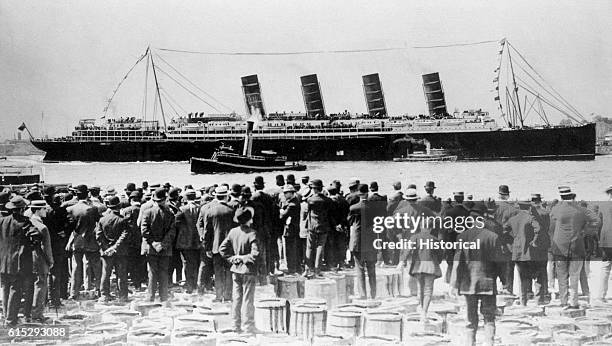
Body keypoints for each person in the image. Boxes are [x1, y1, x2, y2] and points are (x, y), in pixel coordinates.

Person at [450, 203, 501, 346]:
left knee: (471, 319)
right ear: (483, 218)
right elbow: (498, 262)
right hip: (487, 282)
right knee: (489, 318)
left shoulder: (462, 236)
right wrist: (503, 280)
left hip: (468, 283)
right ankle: (489, 343)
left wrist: (454, 284)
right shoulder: (493, 237)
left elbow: (457, 262)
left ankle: (469, 343)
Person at [1, 196, 41, 326]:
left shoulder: (2, 221)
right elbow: (36, 237)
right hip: (18, 262)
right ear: (22, 209)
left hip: (3, 261)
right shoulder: (25, 222)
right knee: (15, 290)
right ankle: (11, 320)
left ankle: (6, 316)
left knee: (5, 288)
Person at [219, 207, 260, 334]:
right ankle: (248, 326)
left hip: (236, 270)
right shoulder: (253, 233)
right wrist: (243, 258)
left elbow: (222, 249)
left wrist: (233, 259)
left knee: (236, 298)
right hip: (248, 270)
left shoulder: (233, 232)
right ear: (250, 220)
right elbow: (255, 254)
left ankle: (235, 326)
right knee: (248, 299)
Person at [549, 186, 588, 309]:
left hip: (560, 247)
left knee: (562, 276)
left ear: (561, 196)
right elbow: (586, 227)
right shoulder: (581, 210)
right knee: (575, 276)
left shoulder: (556, 209)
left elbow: (551, 227)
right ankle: (574, 302)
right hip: (577, 246)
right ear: (572, 196)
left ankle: (563, 301)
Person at [504, 201, 545, 305]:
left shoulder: (513, 219)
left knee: (522, 277)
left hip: (517, 251)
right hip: (529, 251)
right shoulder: (530, 218)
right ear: (529, 207)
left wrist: (511, 243)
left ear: (519, 207)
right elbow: (538, 229)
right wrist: (534, 241)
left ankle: (523, 301)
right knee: (538, 274)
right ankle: (538, 300)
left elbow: (504, 231)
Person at [65, 184, 101, 300]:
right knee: (95, 265)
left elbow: (70, 227)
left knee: (76, 267)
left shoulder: (70, 209)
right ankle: (99, 290)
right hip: (91, 240)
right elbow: (97, 223)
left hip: (77, 240)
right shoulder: (93, 209)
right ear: (88, 194)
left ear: (77, 194)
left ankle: (73, 292)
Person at [140, 188, 176, 303]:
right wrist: (163, 244)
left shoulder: (147, 212)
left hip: (151, 248)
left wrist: (154, 243)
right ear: (165, 199)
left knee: (152, 273)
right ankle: (163, 297)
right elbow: (172, 232)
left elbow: (144, 231)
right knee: (164, 273)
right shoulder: (170, 213)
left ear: (154, 200)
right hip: (165, 249)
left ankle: (150, 297)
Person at [200, 185, 235, 301]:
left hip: (215, 247)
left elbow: (207, 232)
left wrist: (207, 248)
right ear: (226, 196)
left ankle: (219, 296)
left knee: (218, 272)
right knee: (229, 272)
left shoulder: (210, 211)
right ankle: (228, 296)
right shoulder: (231, 210)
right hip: (230, 247)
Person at [96, 196, 130, 302]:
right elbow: (124, 235)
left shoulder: (102, 220)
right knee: (121, 274)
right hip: (120, 251)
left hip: (106, 252)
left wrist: (106, 248)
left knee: (105, 273)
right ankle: (123, 296)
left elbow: (98, 236)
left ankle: (104, 295)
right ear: (119, 206)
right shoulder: (122, 220)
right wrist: (115, 247)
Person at [408, 220, 443, 323]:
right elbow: (440, 254)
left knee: (420, 289)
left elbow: (408, 250)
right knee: (428, 290)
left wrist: (403, 261)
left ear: (420, 227)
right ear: (430, 228)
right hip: (431, 266)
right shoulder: (435, 240)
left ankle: (421, 307)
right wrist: (438, 262)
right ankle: (424, 312)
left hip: (418, 266)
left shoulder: (415, 237)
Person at [25, 200, 54, 323]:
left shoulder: (27, 223)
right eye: (44, 209)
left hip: (27, 259)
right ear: (37, 210)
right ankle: (37, 314)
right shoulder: (42, 227)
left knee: (30, 286)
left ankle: (28, 313)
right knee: (41, 285)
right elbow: (46, 247)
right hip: (40, 259)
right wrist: (50, 261)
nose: (46, 210)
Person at [348, 184, 377, 298]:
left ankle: (363, 295)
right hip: (371, 241)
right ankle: (373, 294)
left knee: (360, 269)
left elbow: (349, 222)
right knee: (371, 269)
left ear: (359, 194)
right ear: (367, 193)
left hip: (358, 241)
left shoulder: (353, 208)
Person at [303, 179, 335, 277]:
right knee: (320, 247)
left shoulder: (310, 199)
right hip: (324, 226)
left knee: (309, 248)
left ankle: (308, 269)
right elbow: (330, 214)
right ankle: (317, 269)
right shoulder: (328, 200)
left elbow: (306, 212)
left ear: (314, 189)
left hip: (312, 226)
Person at [493, 185, 519, 294]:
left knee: (493, 267)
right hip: (508, 241)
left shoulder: (493, 207)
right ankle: (508, 289)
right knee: (509, 268)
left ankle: (494, 290)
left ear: (498, 194)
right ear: (507, 196)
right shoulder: (512, 209)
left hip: (494, 241)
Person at [440, 191, 470, 283]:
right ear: (463, 199)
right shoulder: (467, 212)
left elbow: (445, 227)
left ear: (454, 199)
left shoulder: (449, 212)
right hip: (462, 239)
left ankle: (449, 279)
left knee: (451, 259)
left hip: (451, 238)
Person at [175, 189, 201, 293]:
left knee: (187, 263)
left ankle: (189, 285)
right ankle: (195, 284)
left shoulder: (182, 209)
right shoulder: (200, 208)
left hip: (185, 241)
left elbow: (176, 223)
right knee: (197, 262)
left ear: (185, 198)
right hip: (197, 240)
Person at [279, 184, 301, 274]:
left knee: (290, 249)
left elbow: (282, 216)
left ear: (291, 193)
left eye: (286, 193)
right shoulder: (294, 201)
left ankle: (292, 268)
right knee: (292, 249)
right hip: (293, 228)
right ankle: (294, 267)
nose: (284, 194)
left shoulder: (292, 204)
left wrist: (281, 211)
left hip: (290, 229)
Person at [598, 185, 612, 302]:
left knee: (605, 267)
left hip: (606, 240)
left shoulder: (603, 206)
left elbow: (598, 223)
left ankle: (601, 294)